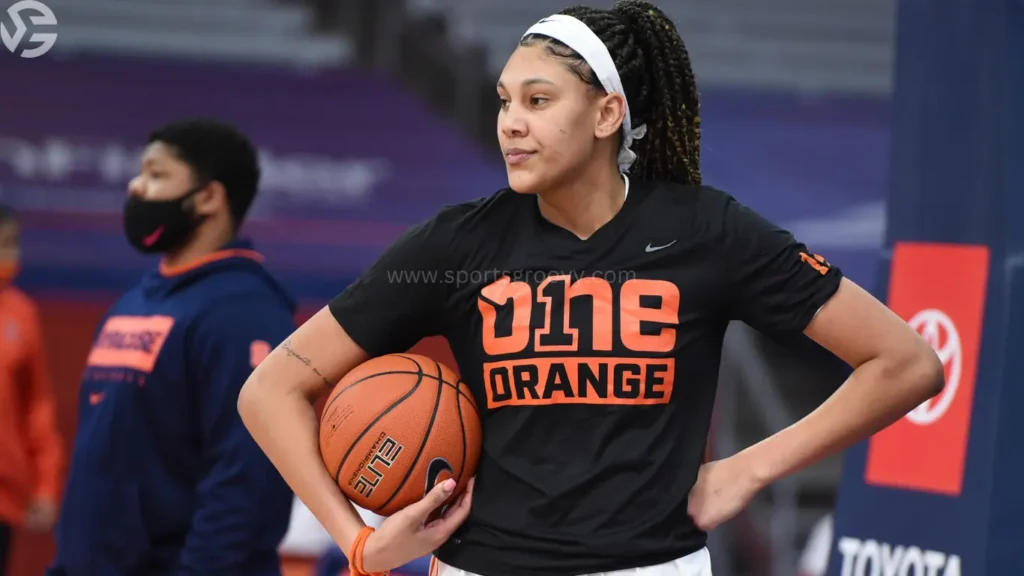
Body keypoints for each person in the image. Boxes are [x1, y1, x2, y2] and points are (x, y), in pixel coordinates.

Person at [237, 2, 945, 575]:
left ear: (607, 115)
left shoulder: (706, 230)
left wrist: (747, 470)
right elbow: (270, 389)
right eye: (505, 100)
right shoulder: (458, 243)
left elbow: (906, 363)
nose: (512, 120)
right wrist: (360, 546)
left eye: (539, 100)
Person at [49, 119, 296, 576]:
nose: (135, 185)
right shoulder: (136, 300)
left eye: (157, 175)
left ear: (208, 197)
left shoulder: (244, 313)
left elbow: (246, 483)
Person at [0, 206, 63, 576]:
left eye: (13, 244)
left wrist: (45, 482)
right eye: (2, 244)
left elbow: (36, 405)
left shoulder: (21, 314)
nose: (9, 255)